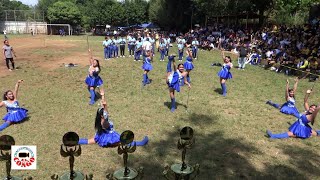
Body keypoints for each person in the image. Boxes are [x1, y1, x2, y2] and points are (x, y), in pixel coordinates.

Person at [78, 98, 149, 147]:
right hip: (109, 138)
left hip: (101, 136)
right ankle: (141, 143)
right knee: (125, 142)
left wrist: (105, 105)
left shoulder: (100, 119)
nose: (106, 113)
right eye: (104, 113)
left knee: (88, 141)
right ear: (102, 116)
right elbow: (107, 116)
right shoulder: (104, 122)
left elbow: (106, 113)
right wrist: (105, 106)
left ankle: (74, 141)